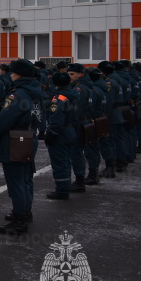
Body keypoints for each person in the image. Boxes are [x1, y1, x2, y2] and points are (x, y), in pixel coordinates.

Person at [0, 58, 44, 235]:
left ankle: (19, 219)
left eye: (12, 72)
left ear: (18, 75)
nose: (10, 75)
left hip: (16, 138)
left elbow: (4, 119)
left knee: (16, 181)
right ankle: (25, 211)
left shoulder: (18, 94)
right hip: (29, 136)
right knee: (26, 177)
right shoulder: (36, 91)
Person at [45, 72, 77, 200]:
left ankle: (62, 190)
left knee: (60, 163)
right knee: (66, 161)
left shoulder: (59, 98)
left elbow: (56, 120)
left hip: (61, 133)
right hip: (71, 130)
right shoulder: (74, 94)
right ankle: (65, 186)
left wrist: (50, 134)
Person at [67, 63, 92, 193]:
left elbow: (77, 109)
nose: (69, 77)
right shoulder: (83, 86)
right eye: (68, 74)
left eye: (72, 74)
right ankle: (79, 179)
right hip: (82, 122)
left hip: (78, 123)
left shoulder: (79, 89)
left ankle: (80, 181)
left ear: (80, 74)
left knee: (76, 152)